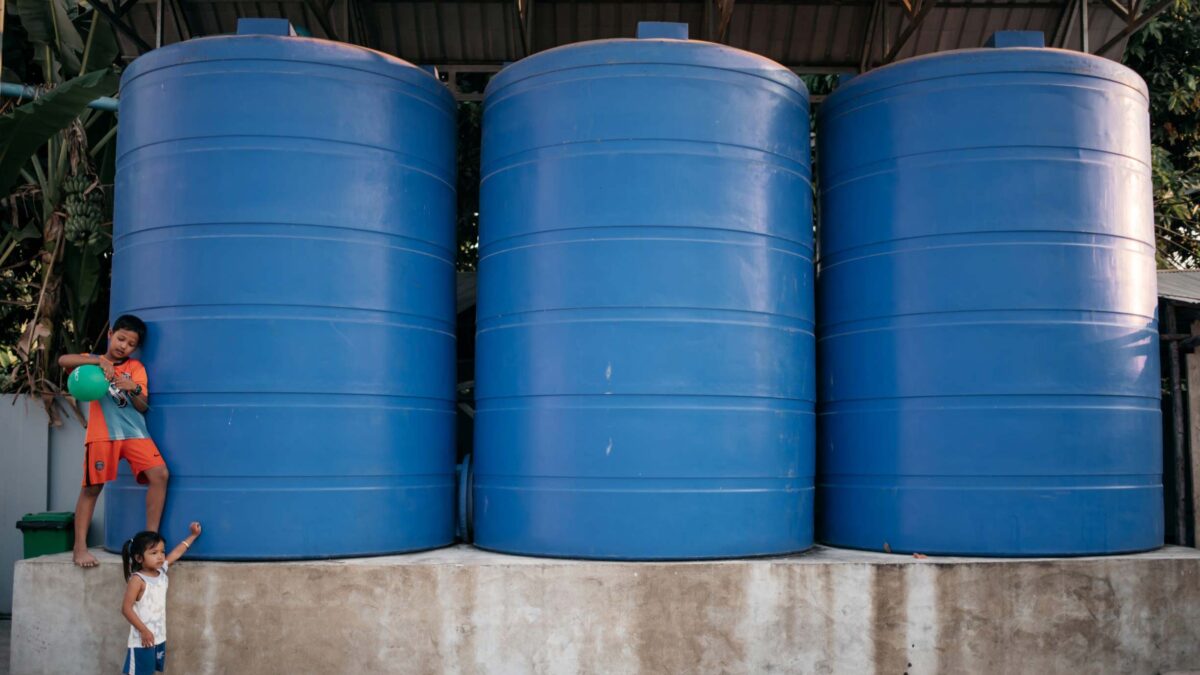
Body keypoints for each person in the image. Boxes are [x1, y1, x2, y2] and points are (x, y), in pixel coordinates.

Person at [57, 314, 169, 568]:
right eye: (120, 339)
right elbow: (63, 360)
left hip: (135, 433)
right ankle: (79, 548)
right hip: (102, 435)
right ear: (110, 334)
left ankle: (150, 542)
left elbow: (142, 407)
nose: (124, 346)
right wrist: (99, 361)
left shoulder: (136, 369)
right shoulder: (90, 362)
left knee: (160, 474)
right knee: (92, 488)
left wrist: (134, 388)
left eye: (131, 344)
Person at [120, 523, 201, 674]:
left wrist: (193, 536)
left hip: (158, 636)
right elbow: (126, 609)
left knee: (150, 672)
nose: (160, 556)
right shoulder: (138, 580)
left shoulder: (161, 571)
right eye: (153, 553)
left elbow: (176, 553)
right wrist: (144, 631)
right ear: (139, 557)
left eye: (162, 552)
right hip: (142, 640)